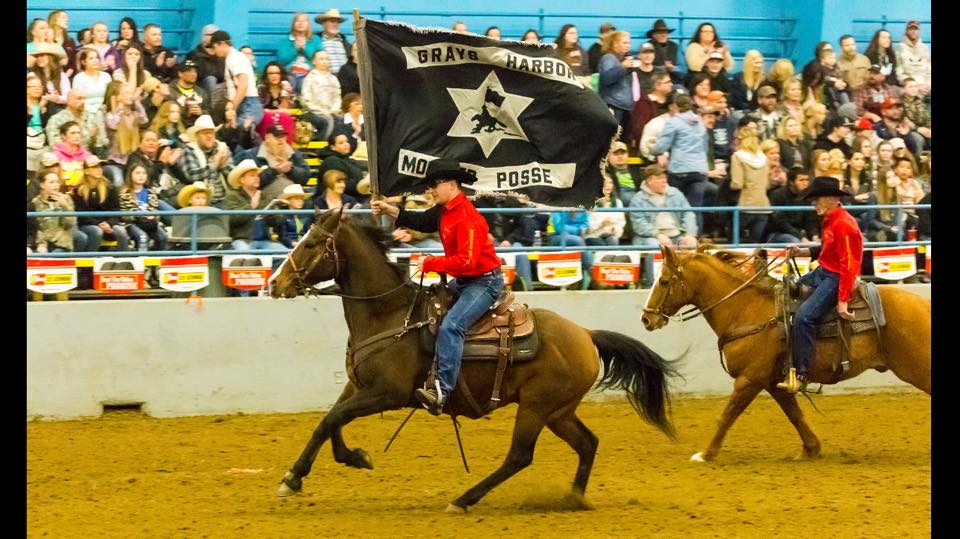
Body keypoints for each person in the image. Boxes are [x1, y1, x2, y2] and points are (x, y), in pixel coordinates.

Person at [370, 158, 504, 415]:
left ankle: (442, 391)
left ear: (450, 185)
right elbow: (419, 221)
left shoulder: (466, 217)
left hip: (484, 282)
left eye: (433, 185)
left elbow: (467, 261)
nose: (429, 190)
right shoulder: (445, 211)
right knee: (426, 310)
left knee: (452, 325)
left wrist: (433, 262)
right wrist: (387, 209)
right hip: (469, 280)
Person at [777, 176, 863, 394]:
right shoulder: (831, 219)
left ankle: (802, 374)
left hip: (834, 278)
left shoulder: (844, 224)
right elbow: (826, 249)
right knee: (784, 293)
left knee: (805, 317)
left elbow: (849, 265)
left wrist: (842, 300)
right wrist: (802, 251)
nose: (813, 203)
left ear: (831, 198)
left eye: (816, 199)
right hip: (823, 272)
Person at [628, 164, 698, 287]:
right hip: (648, 237)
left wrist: (690, 234)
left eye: (664, 177)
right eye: (659, 178)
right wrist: (657, 234)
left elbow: (688, 213)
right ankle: (652, 285)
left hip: (677, 234)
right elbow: (639, 224)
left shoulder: (675, 193)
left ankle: (690, 285)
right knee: (654, 246)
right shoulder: (637, 200)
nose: (664, 180)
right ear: (649, 180)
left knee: (692, 244)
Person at [651, 94, 710, 229]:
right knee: (695, 209)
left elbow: (662, 146)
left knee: (676, 206)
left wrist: (653, 151)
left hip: (680, 170)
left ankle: (677, 239)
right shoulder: (700, 122)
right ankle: (696, 241)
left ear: (675, 106)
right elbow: (705, 146)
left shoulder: (673, 122)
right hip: (700, 170)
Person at [222, 159, 288, 252]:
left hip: (265, 241)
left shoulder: (265, 196)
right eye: (252, 176)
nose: (257, 178)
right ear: (242, 179)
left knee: (285, 255)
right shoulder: (233, 196)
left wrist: (272, 213)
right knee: (245, 255)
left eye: (257, 175)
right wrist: (251, 207)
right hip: (242, 240)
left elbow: (277, 221)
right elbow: (230, 219)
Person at [234, 124, 311, 202]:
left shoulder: (294, 153)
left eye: (283, 136)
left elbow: (305, 178)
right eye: (277, 137)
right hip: (264, 200)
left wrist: (290, 170)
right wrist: (274, 171)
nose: (281, 140)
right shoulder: (253, 154)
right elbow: (251, 182)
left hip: (294, 200)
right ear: (267, 138)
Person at [71, 154, 131, 252]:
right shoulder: (79, 191)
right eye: (94, 167)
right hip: (87, 224)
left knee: (121, 231)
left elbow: (116, 210)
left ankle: (123, 261)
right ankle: (88, 263)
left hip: (108, 224)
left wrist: (109, 223)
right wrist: (98, 224)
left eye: (100, 166)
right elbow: (80, 213)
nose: (99, 169)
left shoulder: (110, 188)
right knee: (97, 231)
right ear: (86, 171)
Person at [175, 114, 234, 206]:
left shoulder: (222, 148)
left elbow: (233, 177)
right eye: (205, 133)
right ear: (197, 136)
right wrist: (213, 164)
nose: (209, 136)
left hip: (225, 199)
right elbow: (191, 175)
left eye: (211, 132)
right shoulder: (189, 150)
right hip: (202, 202)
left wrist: (223, 165)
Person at [211, 31, 264, 127]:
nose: (214, 52)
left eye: (214, 47)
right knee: (237, 135)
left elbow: (243, 84)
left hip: (248, 104)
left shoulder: (234, 58)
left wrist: (232, 107)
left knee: (240, 135)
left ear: (222, 44)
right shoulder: (233, 57)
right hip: (246, 103)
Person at [729, 124, 771, 242]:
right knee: (754, 244)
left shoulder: (737, 156)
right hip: (763, 206)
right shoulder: (763, 157)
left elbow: (737, 183)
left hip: (746, 205)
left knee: (734, 239)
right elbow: (767, 184)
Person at [598, 31, 638, 143]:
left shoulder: (625, 59)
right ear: (615, 44)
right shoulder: (608, 58)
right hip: (613, 106)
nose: (628, 45)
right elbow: (607, 78)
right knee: (612, 141)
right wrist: (622, 67)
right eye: (624, 42)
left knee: (622, 141)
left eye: (628, 43)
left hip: (625, 106)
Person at [118, 161, 166, 251]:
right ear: (130, 175)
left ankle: (154, 261)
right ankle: (142, 262)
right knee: (143, 237)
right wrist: (139, 217)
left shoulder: (151, 192)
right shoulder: (124, 193)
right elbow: (123, 214)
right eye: (137, 173)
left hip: (149, 223)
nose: (141, 176)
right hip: (132, 224)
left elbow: (155, 210)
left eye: (144, 173)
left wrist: (153, 216)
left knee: (162, 236)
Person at [766, 167, 818, 244]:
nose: (805, 183)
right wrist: (800, 237)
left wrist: (814, 235)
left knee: (818, 242)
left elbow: (810, 220)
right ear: (791, 182)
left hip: (799, 232)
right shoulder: (778, 194)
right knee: (796, 242)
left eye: (807, 180)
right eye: (801, 180)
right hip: (778, 233)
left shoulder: (807, 195)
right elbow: (780, 222)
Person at [28, 171, 76, 253]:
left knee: (54, 256)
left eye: (57, 182)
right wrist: (42, 244)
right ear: (42, 185)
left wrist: (65, 206)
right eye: (51, 182)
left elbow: (70, 224)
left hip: (62, 243)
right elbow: (37, 227)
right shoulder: (35, 203)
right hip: (43, 243)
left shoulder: (66, 199)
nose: (56, 185)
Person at [300, 50, 341, 140]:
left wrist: (334, 109)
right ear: (314, 61)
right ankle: (319, 148)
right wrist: (322, 111)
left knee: (342, 121)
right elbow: (306, 100)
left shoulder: (333, 79)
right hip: (313, 112)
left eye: (326, 59)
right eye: (321, 59)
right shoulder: (310, 78)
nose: (324, 61)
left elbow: (337, 97)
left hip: (331, 111)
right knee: (325, 121)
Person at [630, 71, 673, 155]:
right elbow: (639, 130)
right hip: (651, 151)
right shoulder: (644, 103)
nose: (671, 84)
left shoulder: (671, 103)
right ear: (657, 85)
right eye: (668, 82)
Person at [278, 13, 321, 94]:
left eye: (304, 21)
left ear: (308, 24)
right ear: (293, 24)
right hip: (290, 73)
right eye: (298, 21)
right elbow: (281, 60)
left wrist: (305, 48)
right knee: (287, 87)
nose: (301, 23)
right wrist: (295, 49)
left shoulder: (316, 40)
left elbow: (319, 59)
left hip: (309, 73)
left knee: (306, 85)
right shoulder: (286, 40)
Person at [186, 24, 226, 100]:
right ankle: (211, 107)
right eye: (213, 35)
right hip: (201, 87)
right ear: (204, 36)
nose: (216, 38)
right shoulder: (195, 54)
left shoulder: (221, 54)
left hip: (219, 87)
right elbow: (200, 75)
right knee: (211, 79)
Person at [30, 43, 70, 114]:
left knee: (54, 107)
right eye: (37, 56)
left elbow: (68, 97)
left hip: (58, 108)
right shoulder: (32, 75)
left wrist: (58, 98)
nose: (39, 58)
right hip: (39, 109)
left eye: (42, 55)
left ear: (51, 57)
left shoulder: (62, 75)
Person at [586, 175, 626, 246]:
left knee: (613, 241)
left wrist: (615, 229)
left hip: (611, 235)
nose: (608, 185)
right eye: (605, 182)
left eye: (610, 183)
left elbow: (621, 223)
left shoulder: (618, 202)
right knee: (601, 245)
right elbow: (587, 226)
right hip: (594, 235)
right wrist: (601, 224)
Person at [169, 60, 211, 128]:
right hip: (179, 129)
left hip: (199, 128)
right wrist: (187, 113)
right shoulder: (170, 92)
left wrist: (201, 112)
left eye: (195, 71)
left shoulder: (202, 93)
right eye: (189, 71)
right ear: (180, 74)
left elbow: (209, 111)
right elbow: (166, 113)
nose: (193, 74)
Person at [273, 184, 313, 248]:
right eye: (296, 199)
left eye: (301, 199)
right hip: (288, 246)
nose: (300, 201)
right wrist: (292, 243)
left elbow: (308, 233)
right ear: (288, 200)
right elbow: (282, 236)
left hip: (303, 245)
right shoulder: (282, 215)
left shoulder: (306, 215)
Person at [896, 21, 930, 95]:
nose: (913, 32)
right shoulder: (900, 48)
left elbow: (929, 70)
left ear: (918, 31)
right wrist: (914, 86)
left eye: (916, 29)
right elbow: (899, 72)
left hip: (925, 86)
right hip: (909, 86)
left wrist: (928, 85)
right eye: (911, 29)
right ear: (907, 31)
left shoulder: (925, 48)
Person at [315, 9, 351, 75]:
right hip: (326, 78)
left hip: (346, 78)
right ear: (324, 24)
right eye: (332, 21)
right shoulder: (316, 40)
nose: (335, 24)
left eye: (338, 22)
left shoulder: (343, 40)